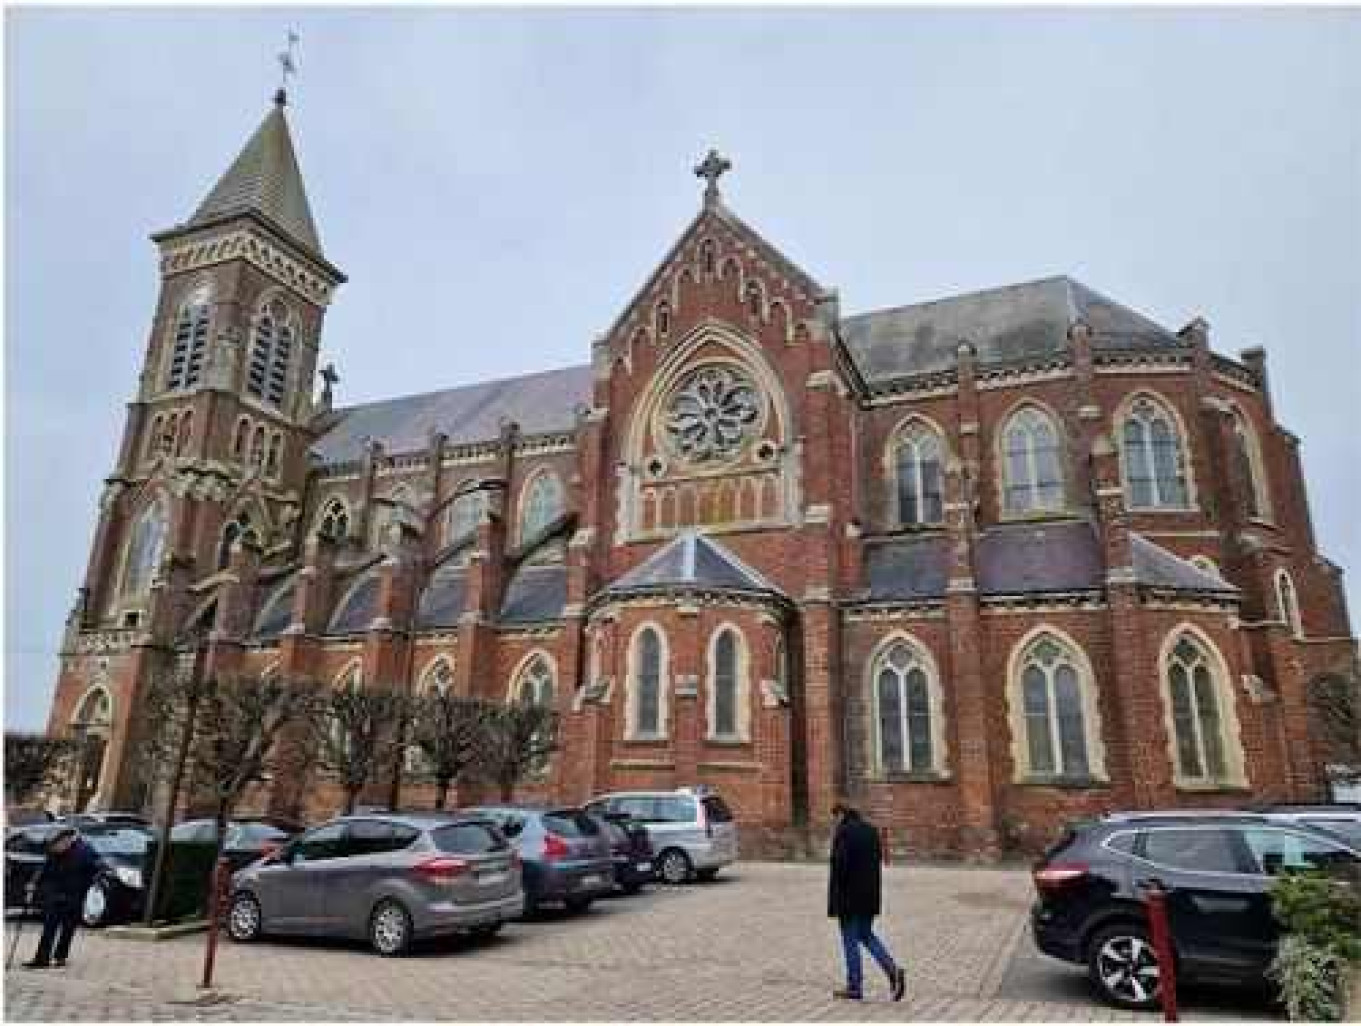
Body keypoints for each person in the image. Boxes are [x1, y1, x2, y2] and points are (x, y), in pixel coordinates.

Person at [827, 799, 906, 1002]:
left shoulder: (844, 833)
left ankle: (855, 986)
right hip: (869, 897)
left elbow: (840, 866)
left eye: (834, 818)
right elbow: (877, 861)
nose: (834, 823)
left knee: (850, 940)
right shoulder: (871, 831)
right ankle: (893, 971)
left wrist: (837, 896)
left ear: (840, 815)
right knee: (866, 935)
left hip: (849, 898)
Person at [22, 826, 108, 969]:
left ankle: (60, 957)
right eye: (52, 847)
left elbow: (100, 867)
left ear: (66, 840)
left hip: (75, 894)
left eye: (56, 846)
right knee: (49, 926)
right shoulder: (54, 852)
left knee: (68, 928)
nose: (54, 849)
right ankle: (41, 959)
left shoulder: (85, 851)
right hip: (56, 893)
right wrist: (33, 883)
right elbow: (44, 869)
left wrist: (97, 881)